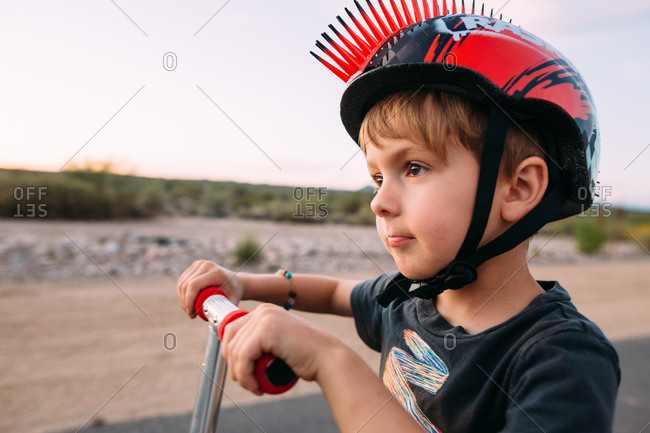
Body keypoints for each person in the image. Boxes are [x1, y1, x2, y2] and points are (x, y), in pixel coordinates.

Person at [177, 2, 620, 432]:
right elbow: (333, 293)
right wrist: (246, 284)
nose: (379, 202)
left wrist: (332, 363)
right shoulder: (408, 300)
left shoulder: (563, 359)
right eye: (376, 178)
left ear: (518, 189)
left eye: (414, 168)